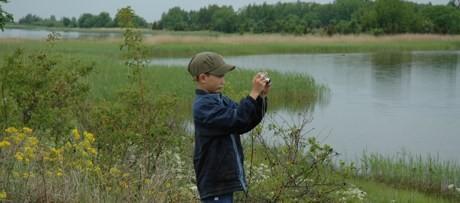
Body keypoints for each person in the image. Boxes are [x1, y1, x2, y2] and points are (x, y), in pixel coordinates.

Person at [188, 52, 271, 202]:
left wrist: (260, 98)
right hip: (214, 183)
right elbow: (237, 119)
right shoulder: (203, 106)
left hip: (221, 183)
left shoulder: (221, 100)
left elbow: (244, 121)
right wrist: (253, 93)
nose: (223, 80)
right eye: (219, 76)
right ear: (203, 78)